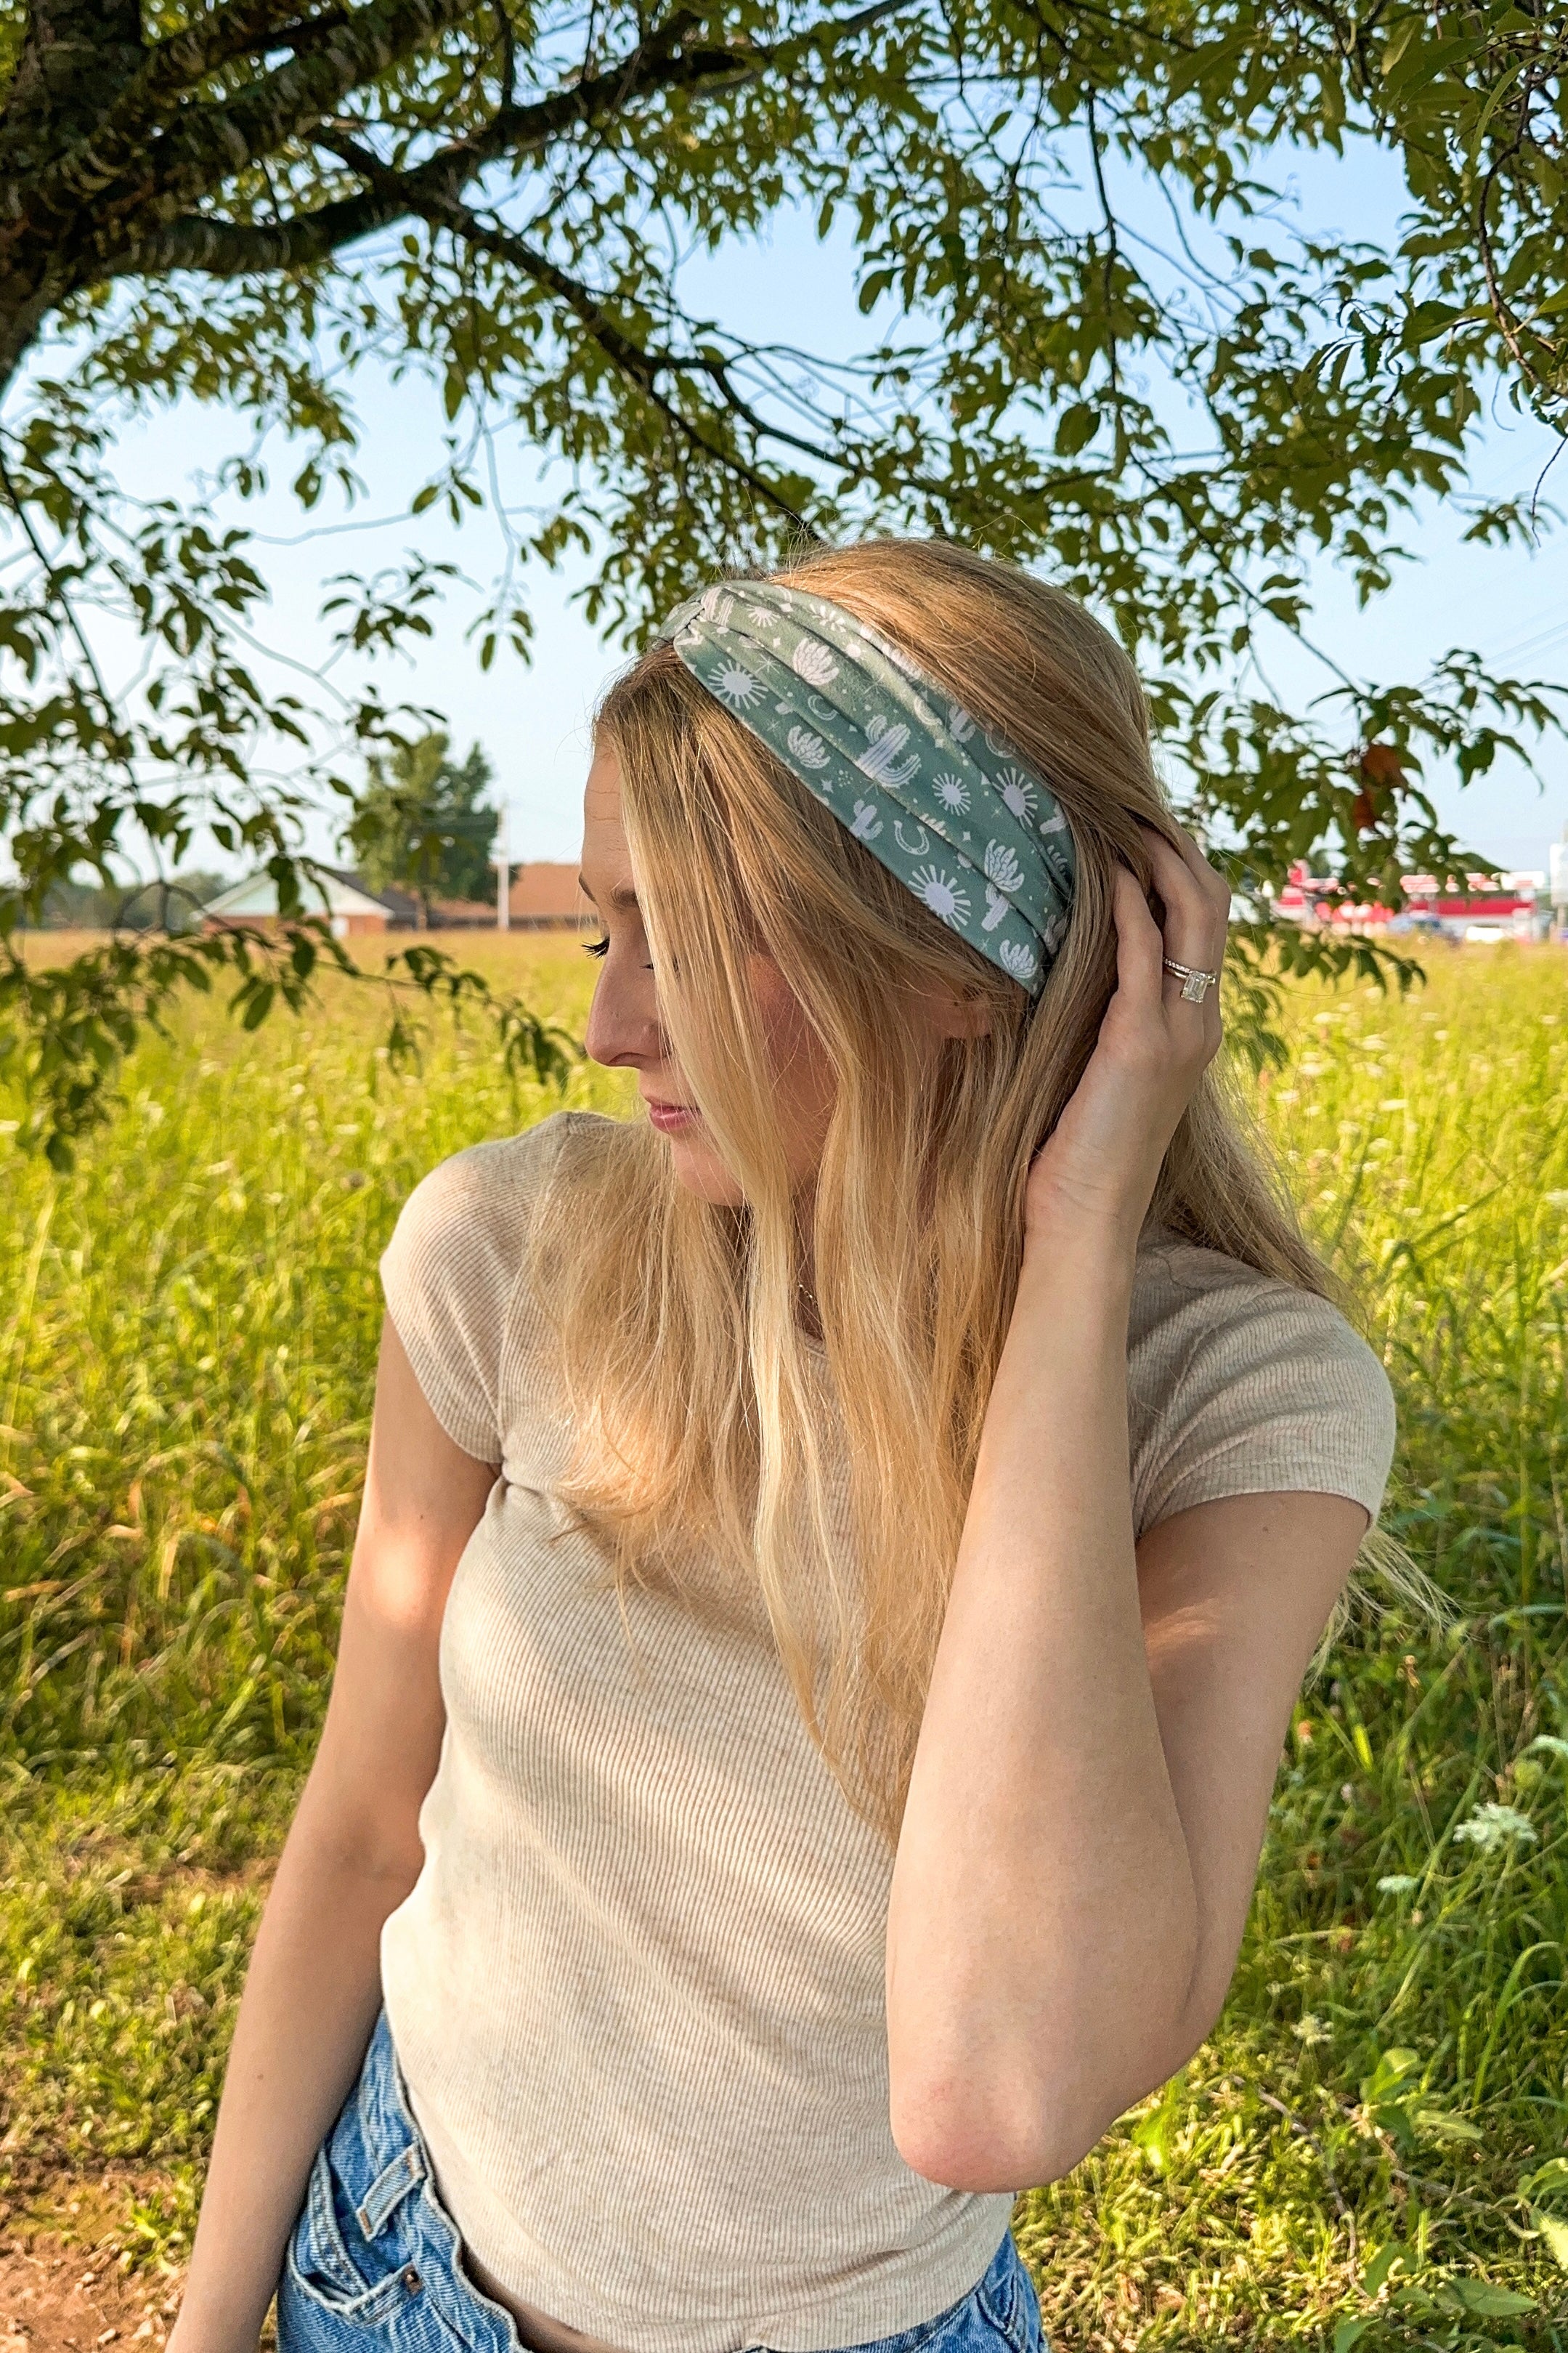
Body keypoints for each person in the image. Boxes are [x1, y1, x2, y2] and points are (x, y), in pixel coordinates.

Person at [169, 539, 1396, 2353]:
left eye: (702, 934)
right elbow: (362, 1832)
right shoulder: (515, 1251)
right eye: (608, 927)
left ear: (967, 968)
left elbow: (998, 2094)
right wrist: (206, 2331)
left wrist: (1065, 1273)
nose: (607, 1022)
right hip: (386, 2269)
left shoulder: (1235, 1409)